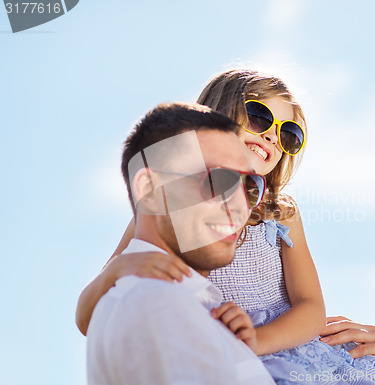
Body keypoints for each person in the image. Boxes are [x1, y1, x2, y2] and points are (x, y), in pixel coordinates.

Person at [78, 70, 375, 385]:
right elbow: (87, 316)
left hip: (280, 348)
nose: (271, 135)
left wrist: (254, 341)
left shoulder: (281, 214)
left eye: (289, 134)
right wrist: (116, 270)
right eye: (260, 117)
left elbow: (310, 307)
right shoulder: (166, 206)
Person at [86, 102, 275, 385]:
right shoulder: (155, 301)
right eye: (218, 180)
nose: (240, 207)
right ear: (149, 190)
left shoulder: (200, 313)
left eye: (250, 188)